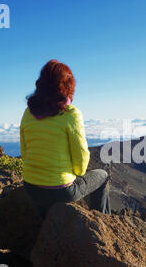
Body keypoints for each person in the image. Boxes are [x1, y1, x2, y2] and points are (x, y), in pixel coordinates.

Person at [20, 59, 111, 219]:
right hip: (61, 191)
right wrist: (75, 174)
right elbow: (81, 157)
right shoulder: (70, 114)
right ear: (67, 87)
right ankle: (102, 221)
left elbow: (25, 151)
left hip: (31, 187)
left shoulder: (28, 113)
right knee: (102, 175)